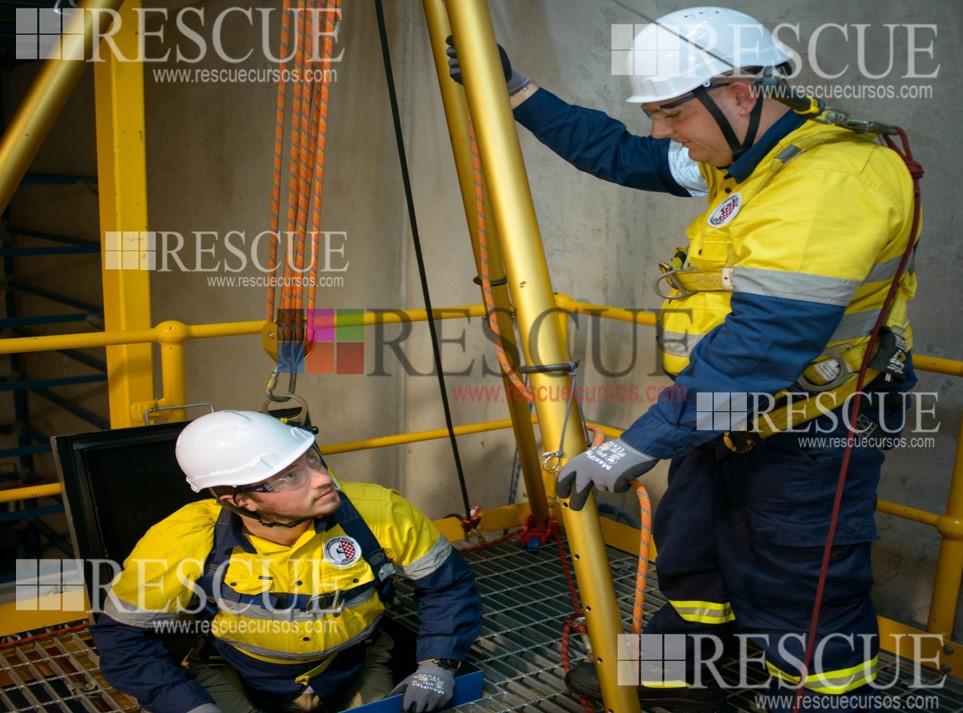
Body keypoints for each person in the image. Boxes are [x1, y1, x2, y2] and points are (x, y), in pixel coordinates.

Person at [449, 6, 917, 713]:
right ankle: (686, 671)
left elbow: (761, 351)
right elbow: (617, 152)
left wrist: (635, 445)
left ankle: (821, 698)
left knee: (800, 582)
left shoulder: (832, 181)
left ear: (738, 92)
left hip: (808, 428)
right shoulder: (749, 155)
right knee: (692, 555)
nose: (662, 132)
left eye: (671, 113)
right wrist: (516, 92)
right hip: (717, 415)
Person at [91, 410, 483, 713]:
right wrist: (187, 704)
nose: (322, 478)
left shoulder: (381, 513)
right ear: (238, 500)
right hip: (238, 675)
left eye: (312, 458)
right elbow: (122, 638)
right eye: (288, 477)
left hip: (353, 668)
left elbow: (447, 586)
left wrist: (437, 665)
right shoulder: (182, 540)